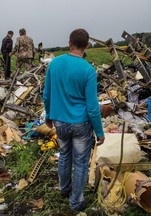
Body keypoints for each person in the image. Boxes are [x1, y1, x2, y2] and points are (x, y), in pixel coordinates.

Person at [43, 29, 105, 212]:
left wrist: (48, 115)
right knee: (80, 163)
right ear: (87, 46)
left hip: (60, 122)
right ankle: (76, 201)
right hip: (81, 124)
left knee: (64, 155)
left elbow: (46, 94)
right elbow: (93, 107)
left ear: (69, 43)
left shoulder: (54, 64)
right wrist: (99, 132)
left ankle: (64, 189)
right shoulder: (88, 70)